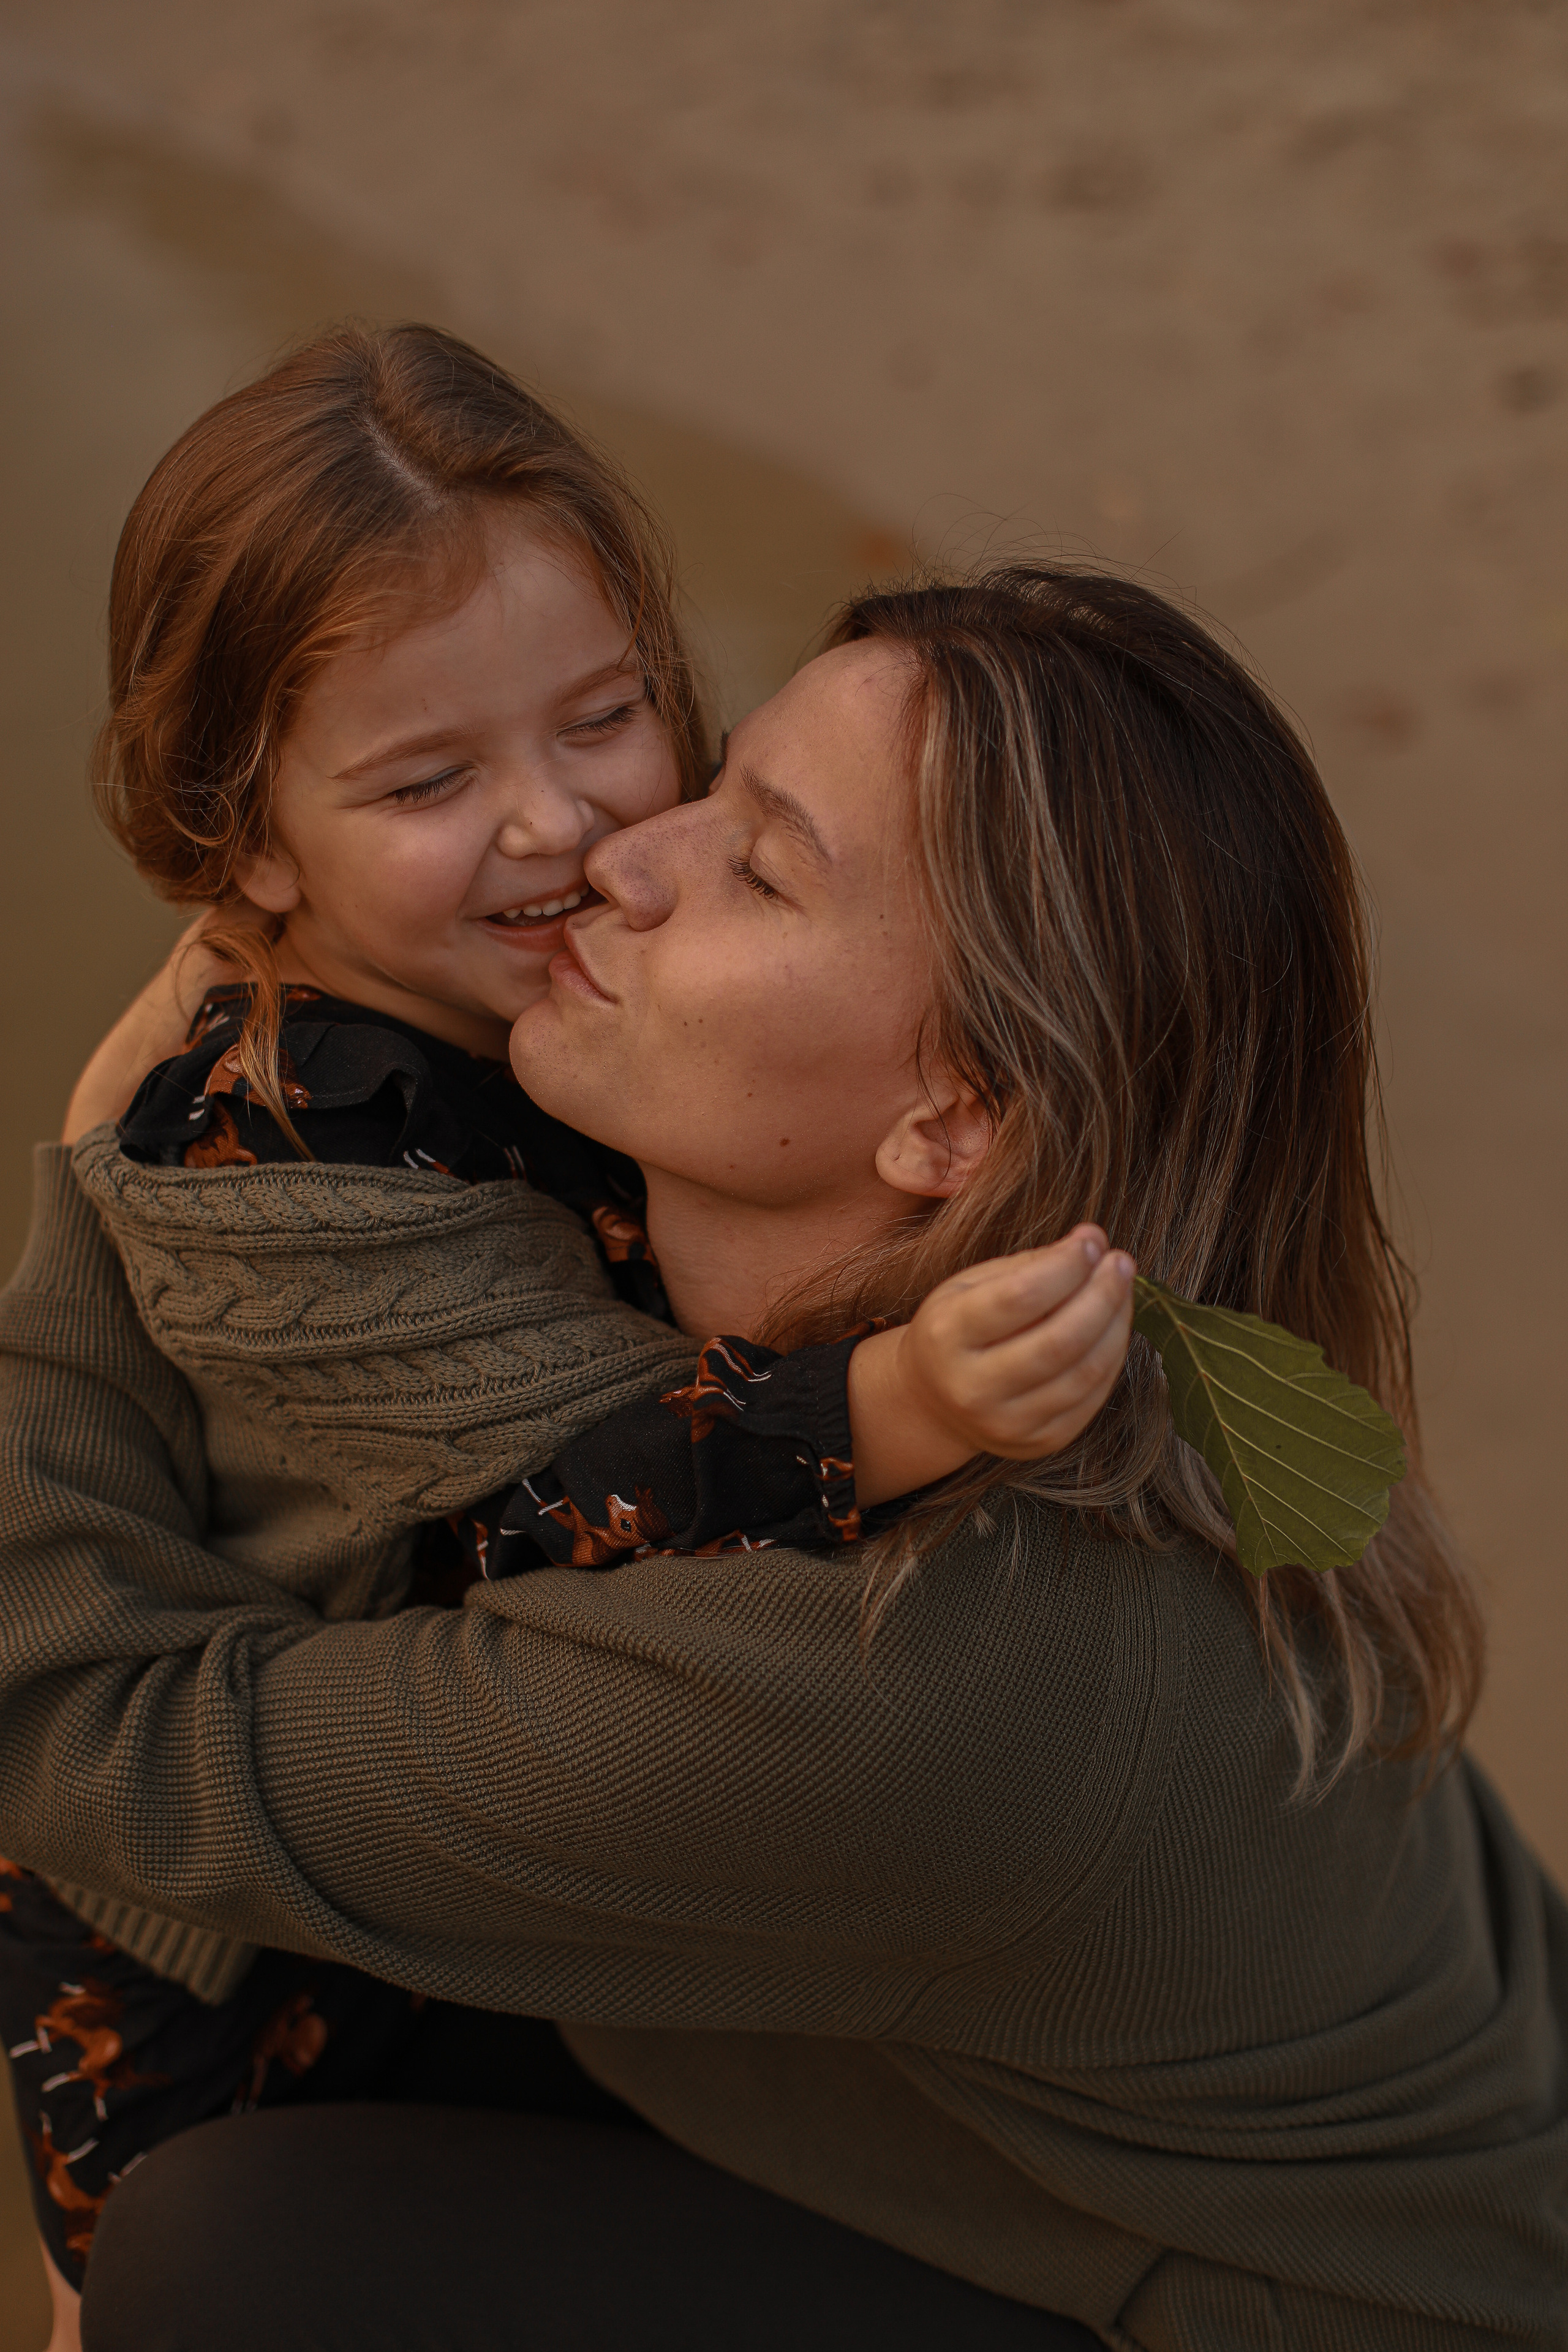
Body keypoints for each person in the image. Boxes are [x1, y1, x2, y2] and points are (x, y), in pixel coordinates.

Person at [3, 566, 1564, 2350]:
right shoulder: (1096, 1353)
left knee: (236, 2256)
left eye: (759, 868)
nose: (623, 855)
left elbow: (78, 1726)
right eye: (714, 780)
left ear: (953, 1121)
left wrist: (105, 1185)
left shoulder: (918, 1664)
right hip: (1199, 2152)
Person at [1, 325, 1133, 2348]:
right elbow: (558, 1485)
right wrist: (898, 1400)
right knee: (241, 2266)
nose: (553, 826)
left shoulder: (539, 977)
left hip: (474, 1763)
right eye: (429, 781)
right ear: (249, 840)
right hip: (253, 1941)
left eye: (605, 716)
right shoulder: (277, 1146)